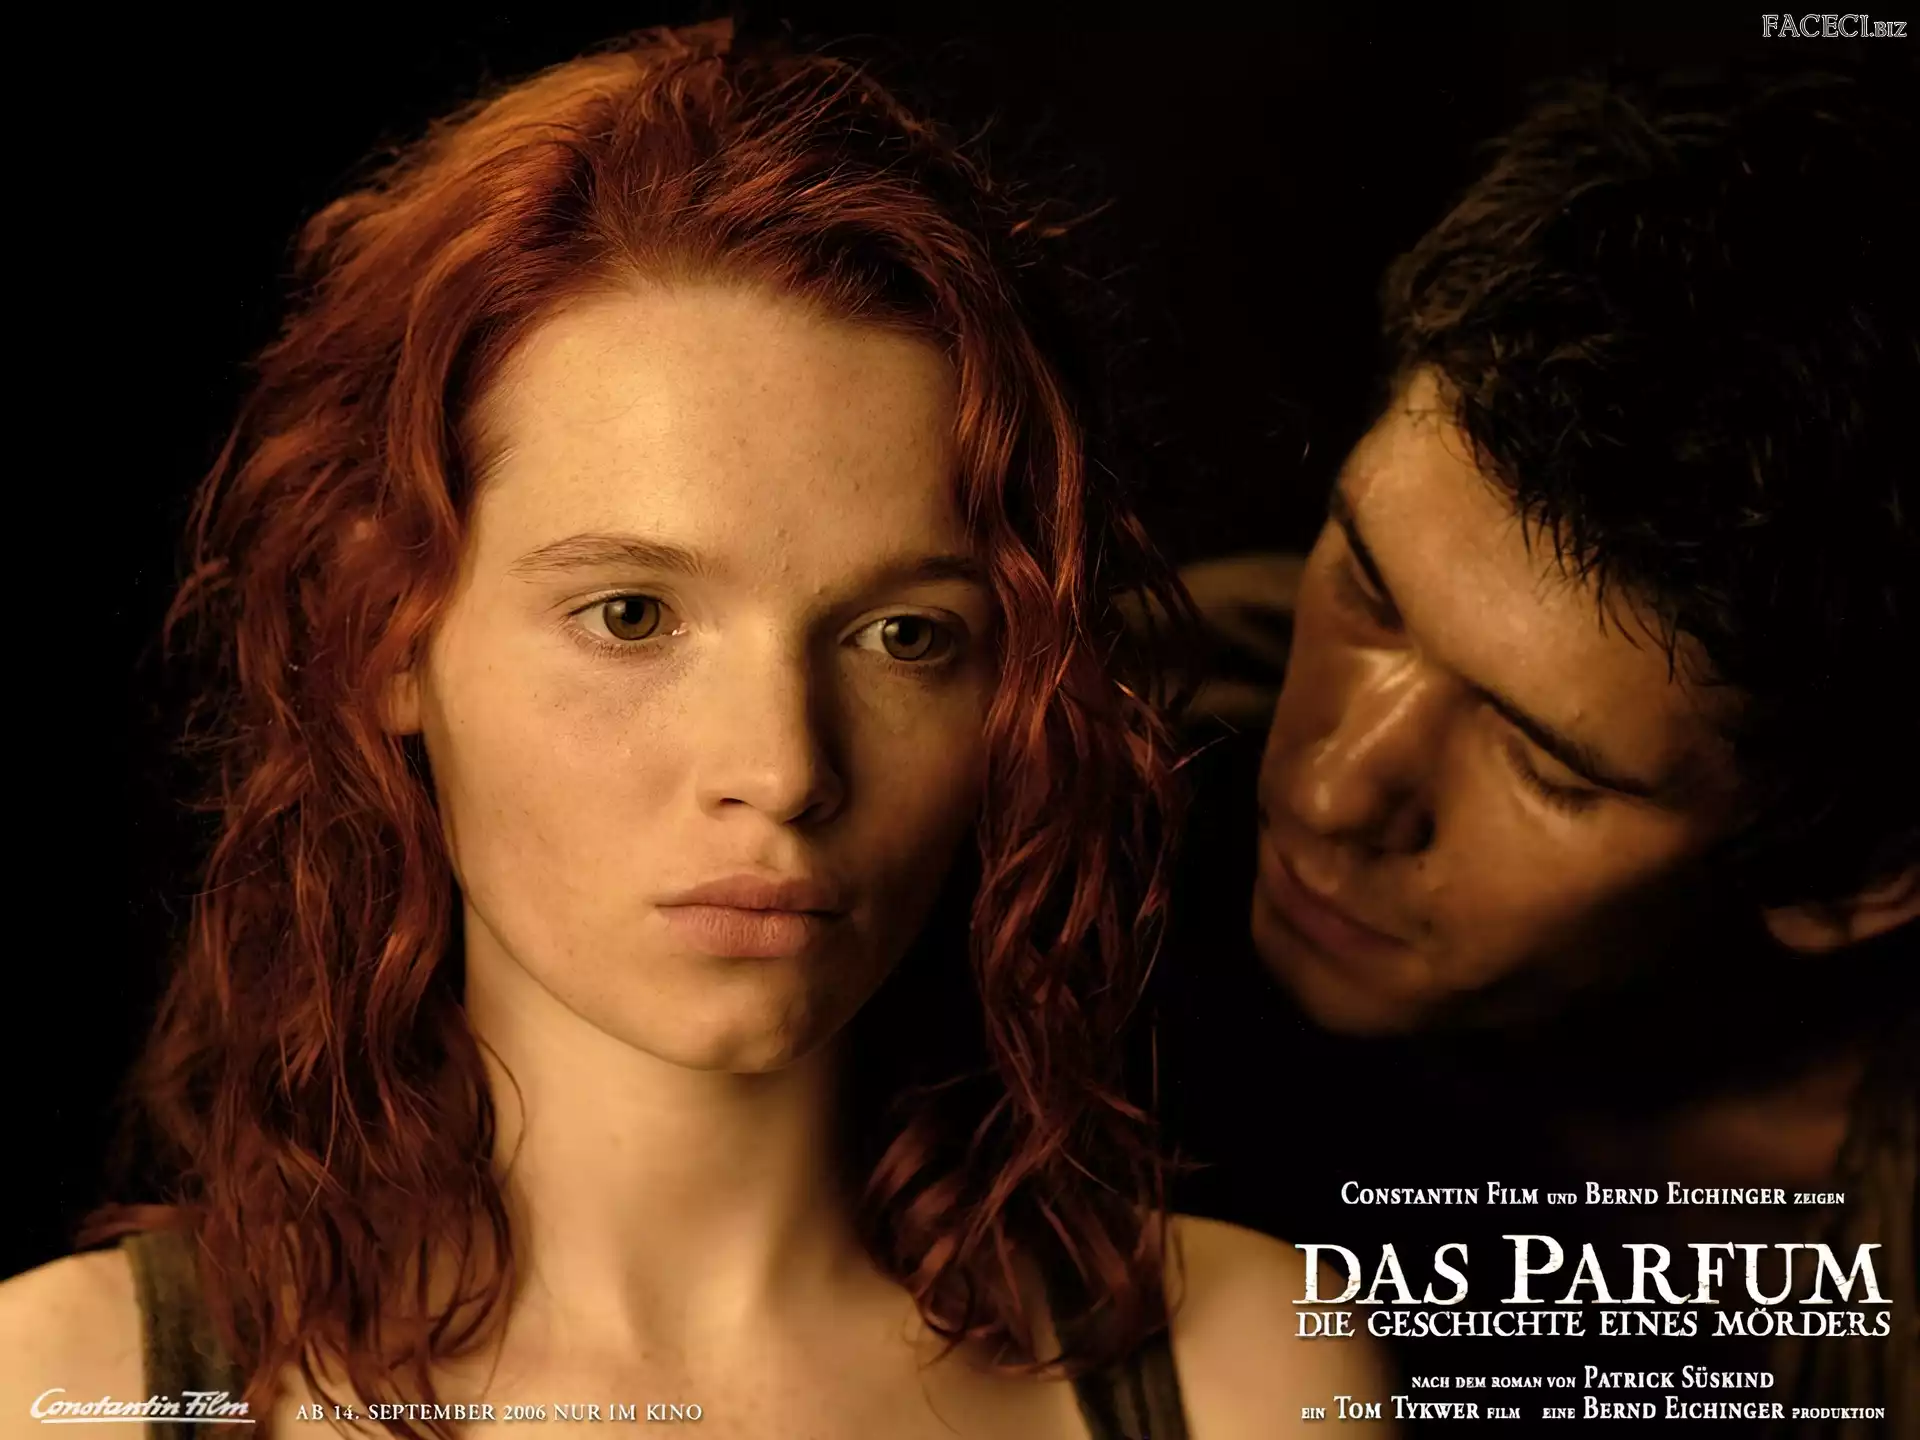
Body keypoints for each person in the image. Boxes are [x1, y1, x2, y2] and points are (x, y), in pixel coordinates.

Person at [0, 24, 1391, 1439]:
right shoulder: (79, 1391)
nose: (784, 770)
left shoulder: (1245, 1378)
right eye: (631, 615)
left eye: (903, 635)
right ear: (383, 631)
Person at [1150, 63, 1918, 1434]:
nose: (1330, 787)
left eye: (1548, 769)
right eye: (1369, 591)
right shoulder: (1100, 730)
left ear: (1854, 876)